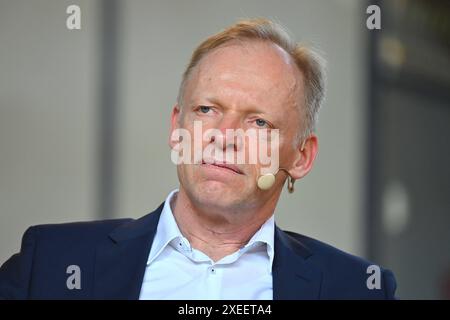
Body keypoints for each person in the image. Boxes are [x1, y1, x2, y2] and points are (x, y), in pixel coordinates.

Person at [0, 18, 396, 299]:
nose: (224, 137)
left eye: (258, 121)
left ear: (302, 157)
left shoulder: (357, 289)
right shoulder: (51, 263)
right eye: (207, 109)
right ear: (178, 127)